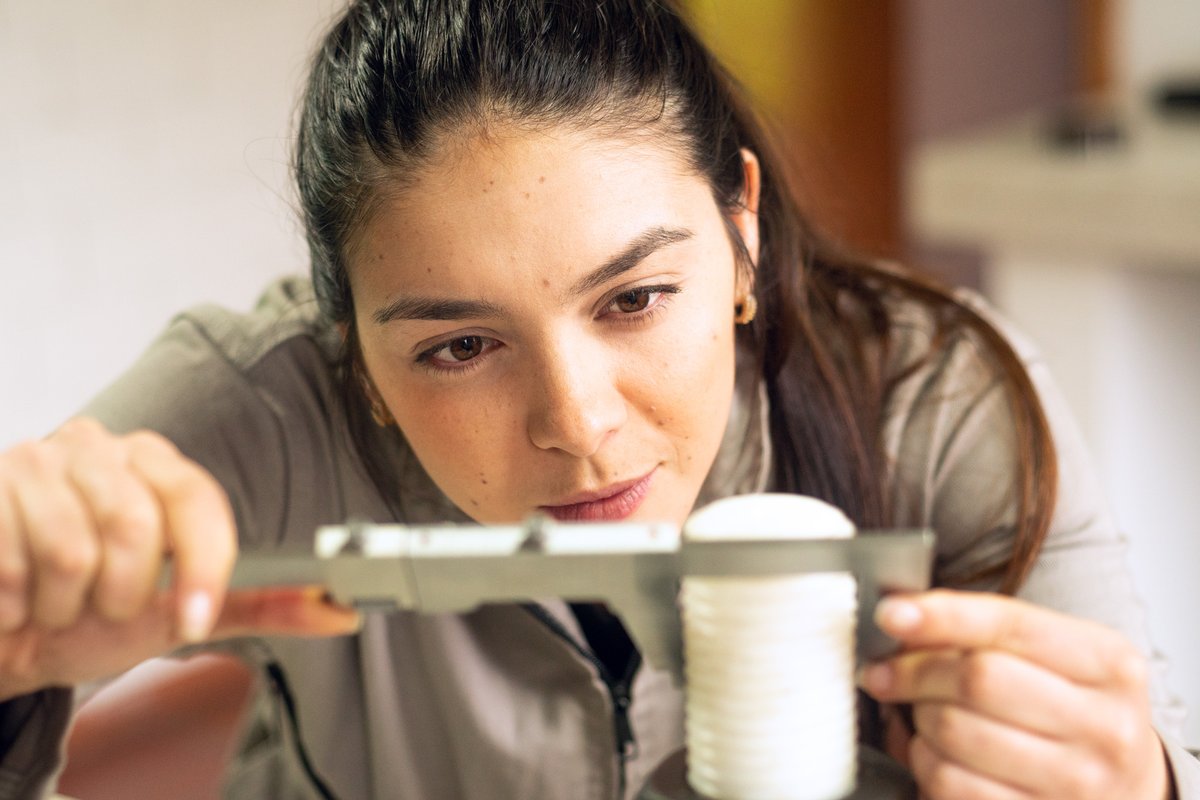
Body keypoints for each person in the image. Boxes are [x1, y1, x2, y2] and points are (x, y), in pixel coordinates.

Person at [0, 0, 1196, 797]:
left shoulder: (940, 397)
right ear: (346, 338)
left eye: (632, 299)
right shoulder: (261, 411)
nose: (575, 420)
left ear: (739, 225)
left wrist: (1140, 777)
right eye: (460, 346)